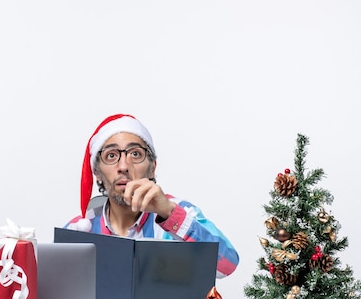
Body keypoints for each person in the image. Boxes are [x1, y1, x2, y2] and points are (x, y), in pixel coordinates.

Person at [65, 113, 239, 278]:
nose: (124, 166)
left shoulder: (180, 212)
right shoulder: (78, 229)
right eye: (111, 156)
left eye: (135, 154)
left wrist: (170, 214)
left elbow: (228, 265)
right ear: (97, 172)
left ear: (152, 167)